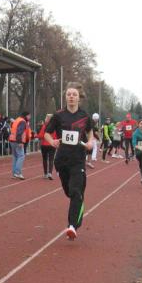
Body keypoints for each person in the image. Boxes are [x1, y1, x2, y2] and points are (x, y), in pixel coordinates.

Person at [44, 81, 94, 240]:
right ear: (65, 97)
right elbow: (46, 133)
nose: (71, 97)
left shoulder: (85, 116)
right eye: (69, 94)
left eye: (74, 94)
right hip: (62, 160)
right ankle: (76, 206)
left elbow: (90, 132)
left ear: (79, 98)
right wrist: (52, 141)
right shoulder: (58, 115)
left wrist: (90, 142)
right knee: (69, 192)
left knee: (76, 192)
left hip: (78, 159)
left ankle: (72, 226)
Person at [8, 111, 30, 179]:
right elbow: (19, 132)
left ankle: (14, 173)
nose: (30, 117)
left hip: (12, 140)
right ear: (26, 116)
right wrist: (20, 142)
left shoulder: (17, 120)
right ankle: (18, 172)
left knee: (15, 157)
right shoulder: (22, 122)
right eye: (29, 116)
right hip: (17, 141)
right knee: (21, 156)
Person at [37, 113, 56, 179]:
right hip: (52, 144)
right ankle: (50, 173)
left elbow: (41, 135)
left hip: (44, 145)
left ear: (47, 119)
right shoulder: (55, 126)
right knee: (51, 159)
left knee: (45, 159)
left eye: (46, 118)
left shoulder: (44, 126)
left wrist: (36, 136)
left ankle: (45, 174)